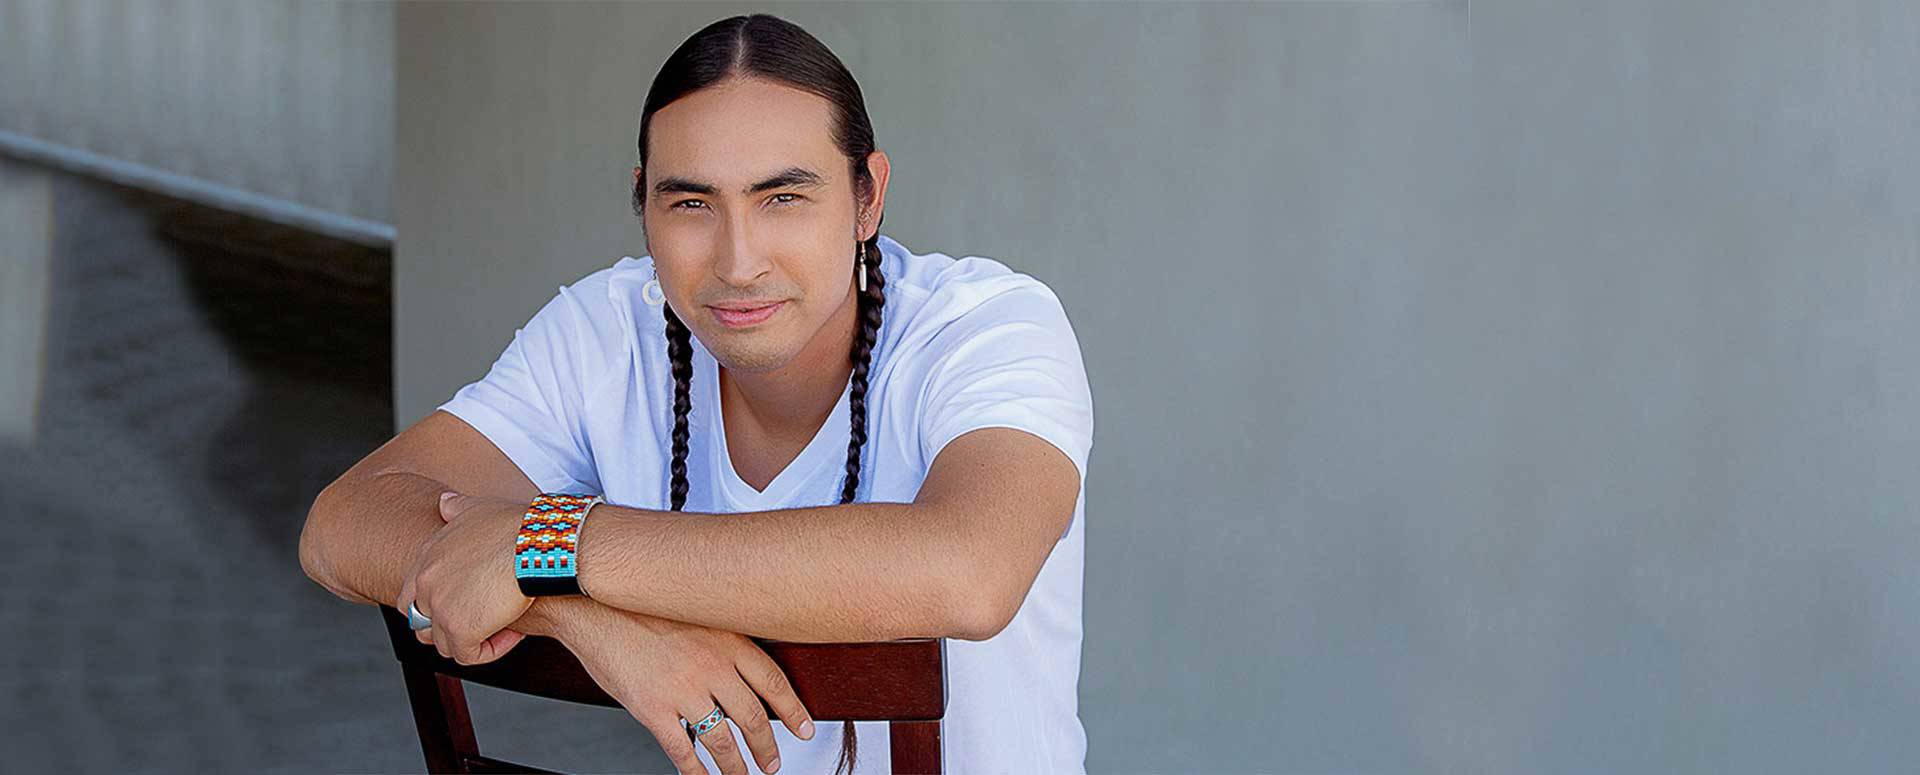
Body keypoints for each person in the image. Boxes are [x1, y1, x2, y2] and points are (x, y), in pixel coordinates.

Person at [300, 14, 1093, 775]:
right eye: (690, 203)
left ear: (867, 197)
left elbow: (968, 569)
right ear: (642, 204)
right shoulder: (610, 332)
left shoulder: (987, 327)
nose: (738, 262)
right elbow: (342, 523)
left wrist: (546, 546)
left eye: (783, 197)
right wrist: (582, 617)